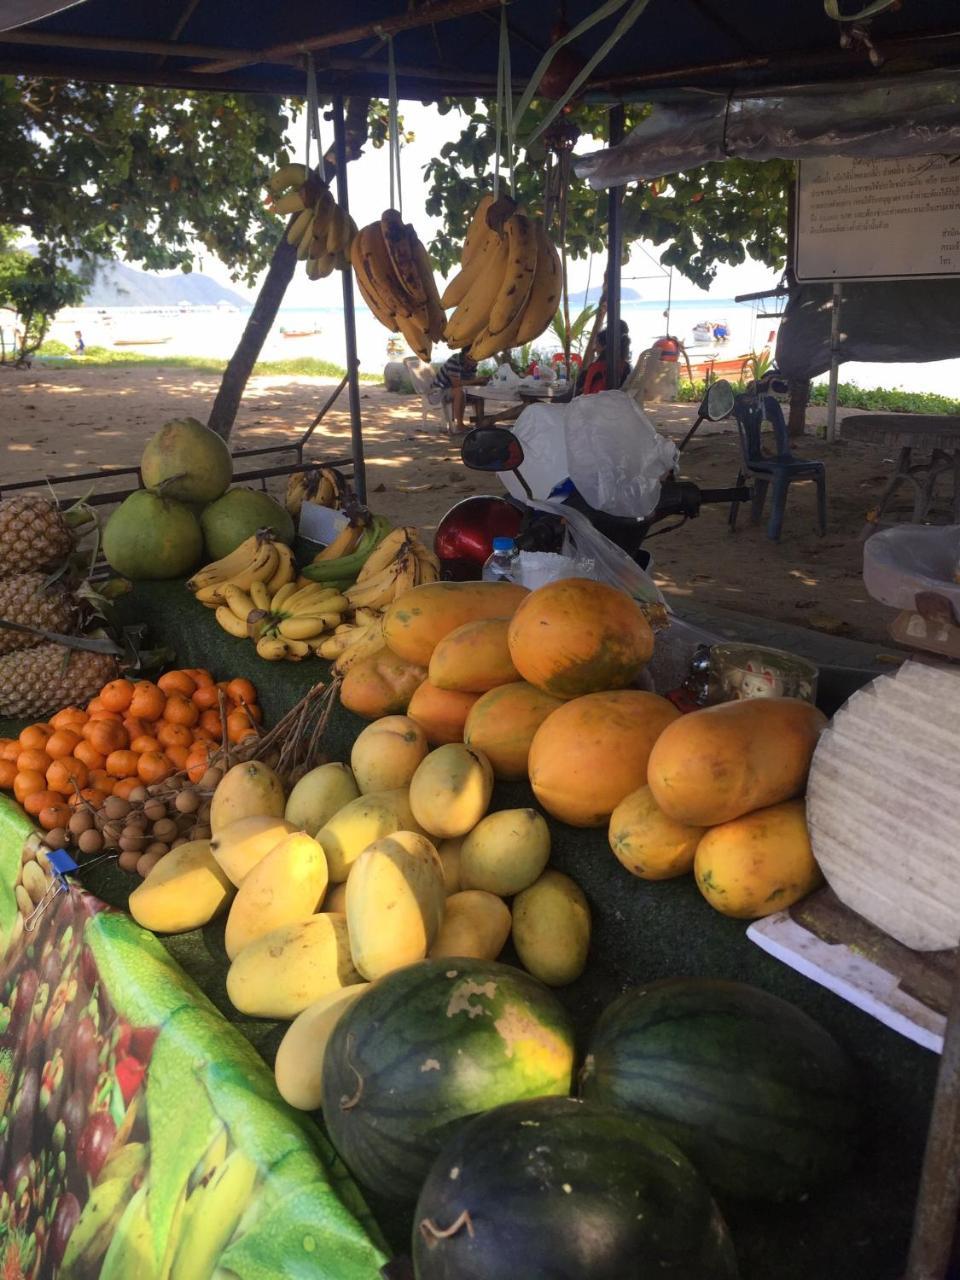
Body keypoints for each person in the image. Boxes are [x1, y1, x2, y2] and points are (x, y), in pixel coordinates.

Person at [429, 347, 487, 431]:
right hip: (439, 391)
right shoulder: (454, 361)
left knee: (479, 395)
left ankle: (480, 423)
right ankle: (459, 424)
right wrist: (476, 380)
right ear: (466, 355)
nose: (476, 360)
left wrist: (481, 382)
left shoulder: (472, 363)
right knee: (460, 391)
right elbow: (456, 384)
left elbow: (470, 382)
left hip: (453, 389)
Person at [577, 321, 631, 395]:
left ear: (604, 346)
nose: (594, 348)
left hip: (594, 403)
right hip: (616, 401)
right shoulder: (625, 366)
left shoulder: (598, 367)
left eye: (596, 343)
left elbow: (586, 392)